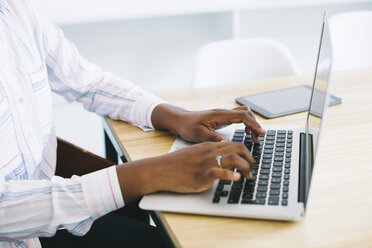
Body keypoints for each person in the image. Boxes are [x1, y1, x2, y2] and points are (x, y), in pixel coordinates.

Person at [0, 0, 265, 247]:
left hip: (45, 218)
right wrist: (149, 173)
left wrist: (176, 116)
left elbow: (89, 82)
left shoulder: (16, 10)